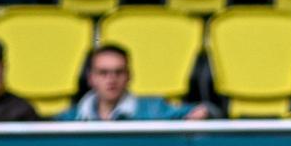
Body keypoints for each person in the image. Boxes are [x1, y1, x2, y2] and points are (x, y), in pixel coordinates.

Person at [57, 45, 212, 121]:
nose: (111, 79)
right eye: (103, 73)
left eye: (118, 72)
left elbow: (204, 110)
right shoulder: (70, 118)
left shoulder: (155, 109)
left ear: (129, 76)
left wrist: (201, 114)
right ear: (91, 78)